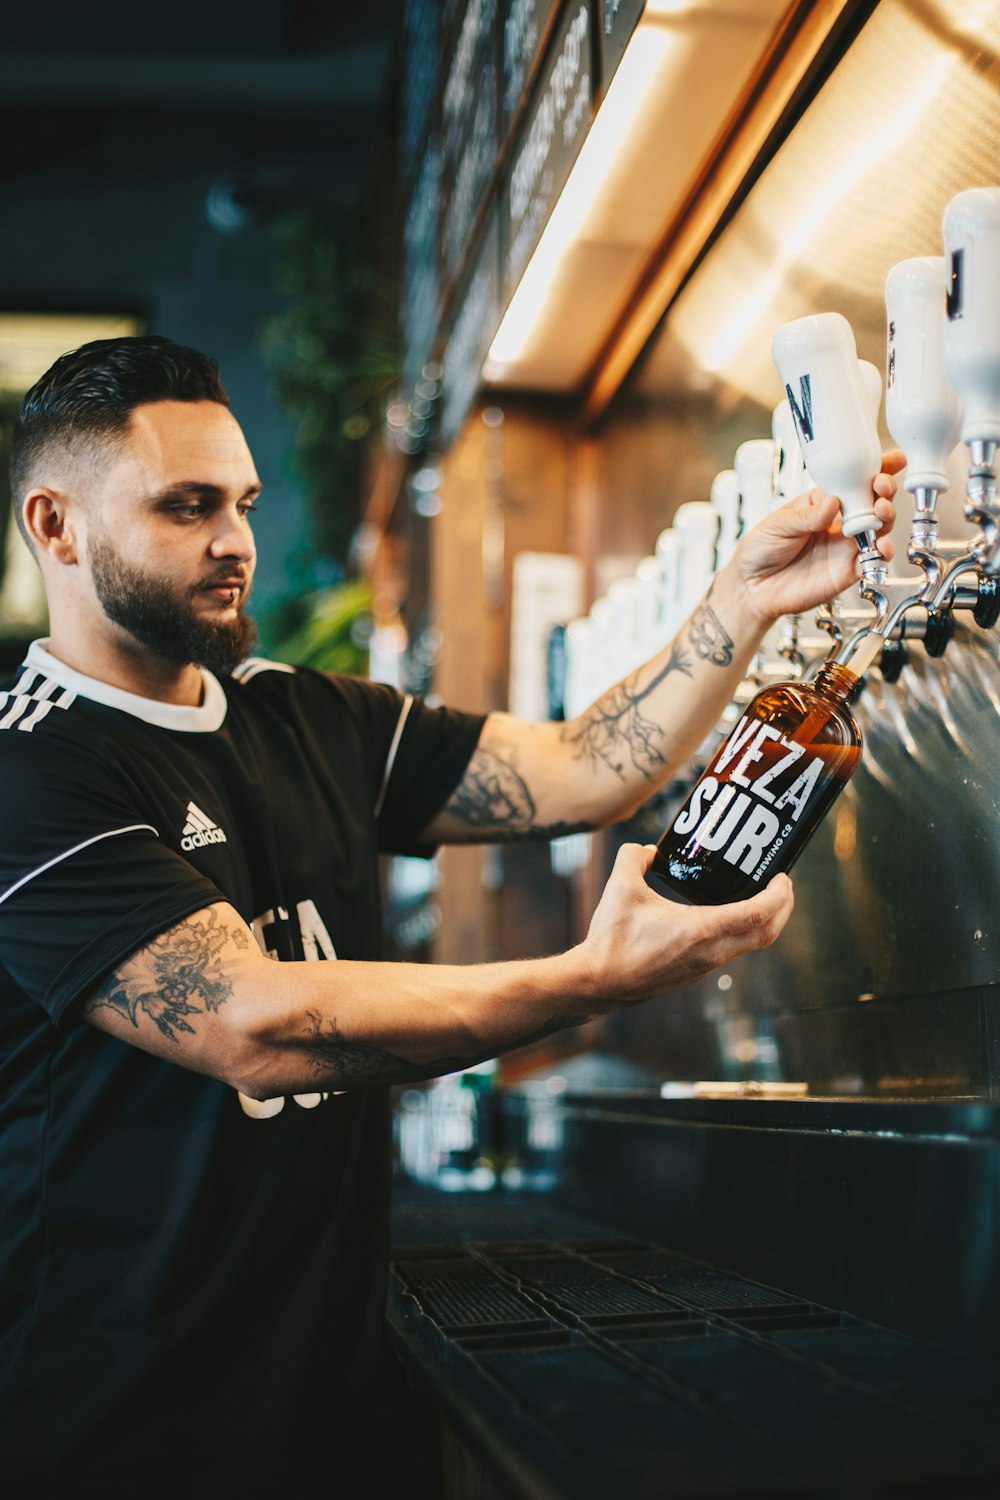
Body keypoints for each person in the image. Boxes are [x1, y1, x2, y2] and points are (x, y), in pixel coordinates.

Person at [0, 336, 900, 1494]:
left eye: (242, 502)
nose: (236, 542)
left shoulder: (307, 717)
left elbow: (584, 767)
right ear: (56, 527)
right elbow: (252, 1027)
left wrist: (743, 596)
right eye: (187, 508)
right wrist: (591, 977)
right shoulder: (32, 766)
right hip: (124, 1428)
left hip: (334, 1398)